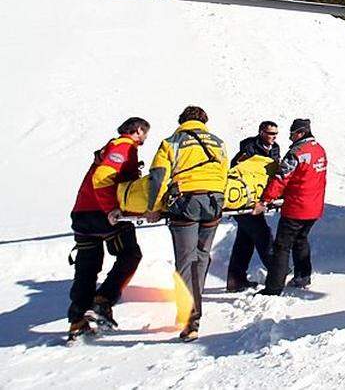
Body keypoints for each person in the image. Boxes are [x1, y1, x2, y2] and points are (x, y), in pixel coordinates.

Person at [145, 106, 228, 341]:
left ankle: (190, 318)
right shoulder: (218, 143)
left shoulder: (172, 142)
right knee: (201, 257)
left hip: (186, 204)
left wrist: (153, 208)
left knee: (186, 259)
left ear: (182, 121)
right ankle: (194, 307)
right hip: (214, 202)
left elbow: (159, 176)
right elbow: (224, 173)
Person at [66, 117, 150, 341]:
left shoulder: (110, 147)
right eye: (144, 134)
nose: (144, 139)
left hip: (82, 214)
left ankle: (77, 320)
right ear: (138, 130)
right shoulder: (124, 146)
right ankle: (103, 301)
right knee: (130, 254)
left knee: (87, 265)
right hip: (103, 215)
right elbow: (103, 178)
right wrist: (111, 209)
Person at [256, 118, 327, 295]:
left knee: (282, 246)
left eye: (292, 134)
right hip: (314, 207)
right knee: (301, 239)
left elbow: (281, 178)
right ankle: (303, 276)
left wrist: (265, 200)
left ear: (301, 133)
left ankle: (273, 287)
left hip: (296, 207)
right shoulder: (319, 150)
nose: (290, 138)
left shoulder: (297, 153)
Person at [225, 121, 281, 292]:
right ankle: (277, 274)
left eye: (276, 134)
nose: (274, 137)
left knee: (245, 239)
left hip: (259, 199)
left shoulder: (275, 148)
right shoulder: (248, 148)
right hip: (246, 201)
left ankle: (236, 280)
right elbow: (237, 171)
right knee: (263, 236)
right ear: (261, 132)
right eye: (271, 133)